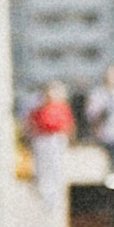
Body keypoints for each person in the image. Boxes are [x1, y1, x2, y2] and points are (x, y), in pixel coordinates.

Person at [27, 81, 75, 219]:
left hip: (56, 139)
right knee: (42, 168)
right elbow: (32, 123)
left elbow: (68, 124)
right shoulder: (39, 108)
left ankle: (55, 198)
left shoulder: (62, 107)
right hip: (42, 139)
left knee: (56, 167)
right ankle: (44, 194)